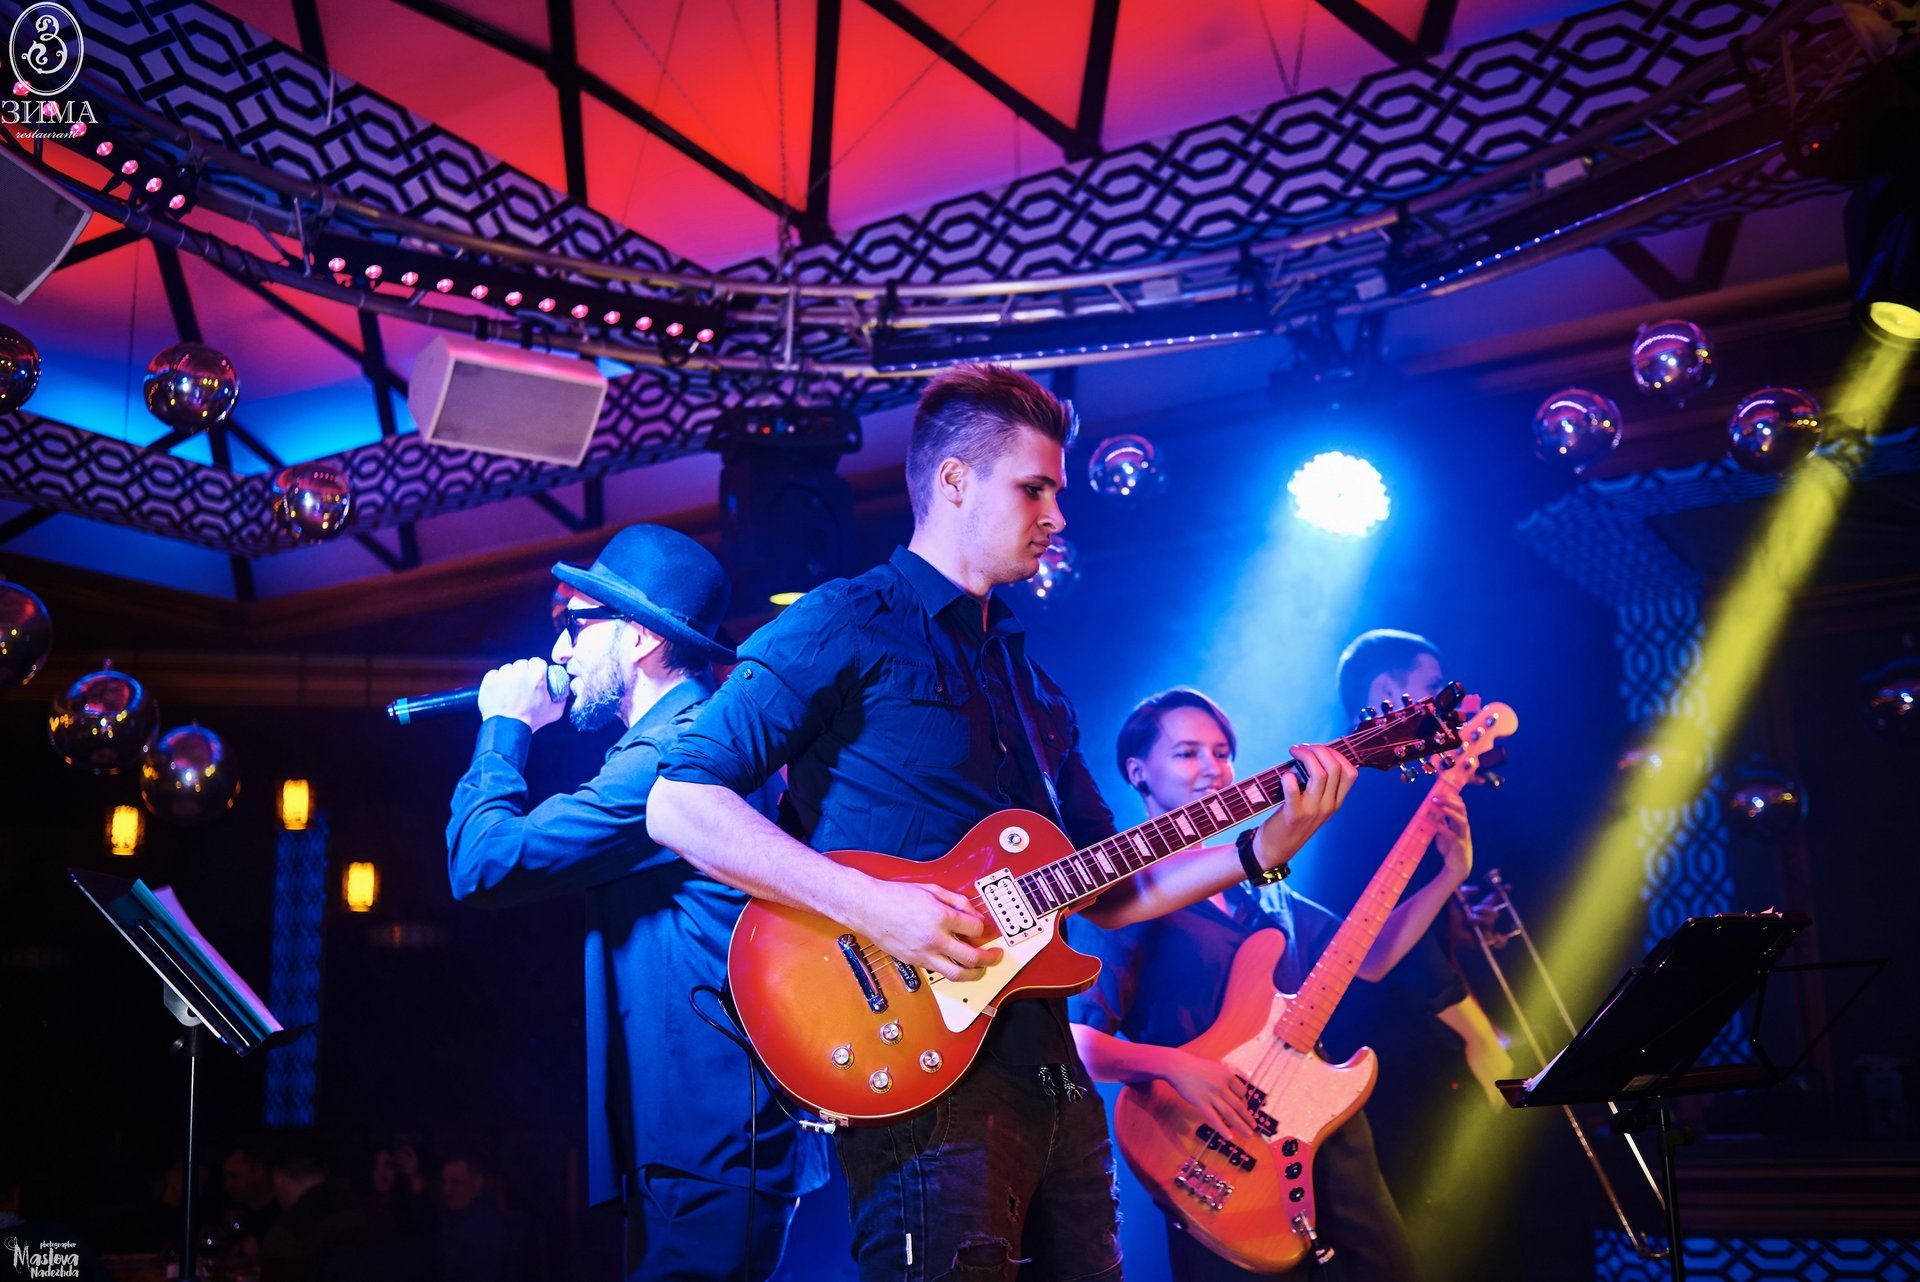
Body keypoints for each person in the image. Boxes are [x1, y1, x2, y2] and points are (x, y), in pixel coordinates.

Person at [648, 363, 1358, 1280]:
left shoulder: (1032, 685)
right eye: (1035, 489)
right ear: (954, 481)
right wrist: (876, 908)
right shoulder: (846, 620)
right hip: (914, 1067)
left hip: (1052, 1074)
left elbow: (1114, 888)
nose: (1057, 515)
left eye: (1055, 492)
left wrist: (1261, 849)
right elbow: (680, 802)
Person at [446, 523, 829, 1281]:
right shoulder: (687, 739)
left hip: (713, 1138)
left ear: (641, 640)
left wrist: (504, 729)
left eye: (575, 624)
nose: (558, 650)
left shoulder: (672, 755)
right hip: (696, 1137)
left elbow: (484, 863)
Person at [1068, 687, 1475, 1281]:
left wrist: (1449, 874)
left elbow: (1368, 956)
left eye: (1223, 752)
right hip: (1213, 1152)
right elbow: (1073, 1045)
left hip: (1319, 1127)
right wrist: (1175, 1065)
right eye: (1187, 753)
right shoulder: (1120, 900)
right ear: (1138, 772)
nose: (1212, 767)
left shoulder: (1265, 887)